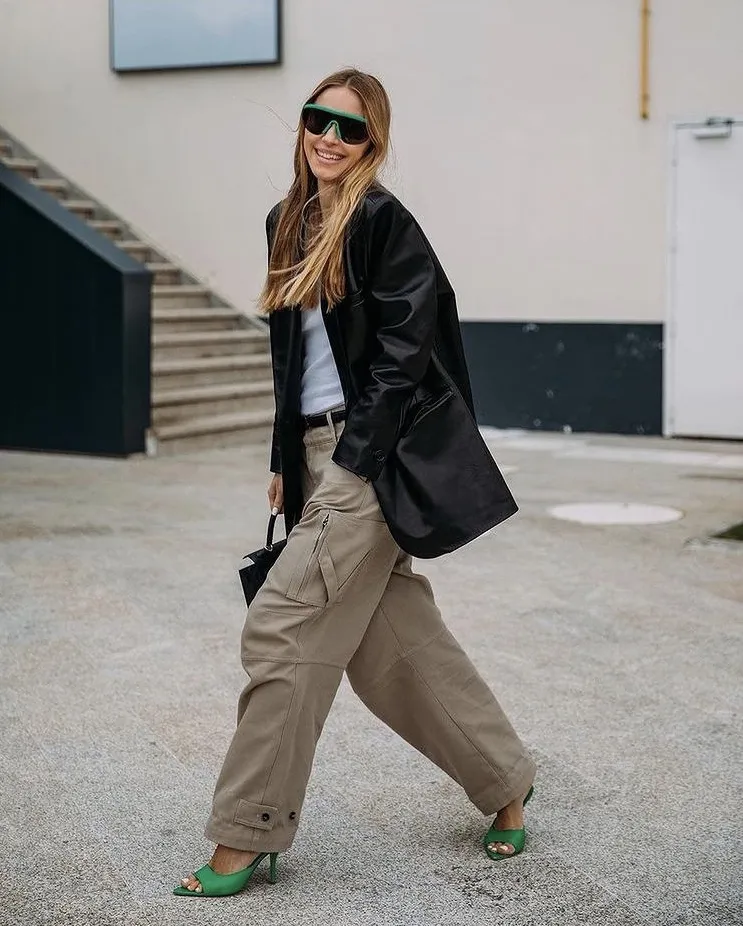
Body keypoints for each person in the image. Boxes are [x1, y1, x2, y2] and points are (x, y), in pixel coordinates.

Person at [175, 68, 536, 899]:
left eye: (351, 130)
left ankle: (247, 833)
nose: (329, 139)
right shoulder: (285, 219)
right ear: (301, 125)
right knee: (393, 648)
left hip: (365, 457)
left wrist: (350, 465)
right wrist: (282, 458)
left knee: (282, 628)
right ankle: (506, 781)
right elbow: (291, 357)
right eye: (318, 121)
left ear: (373, 143)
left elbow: (405, 355)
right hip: (313, 454)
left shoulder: (379, 220)